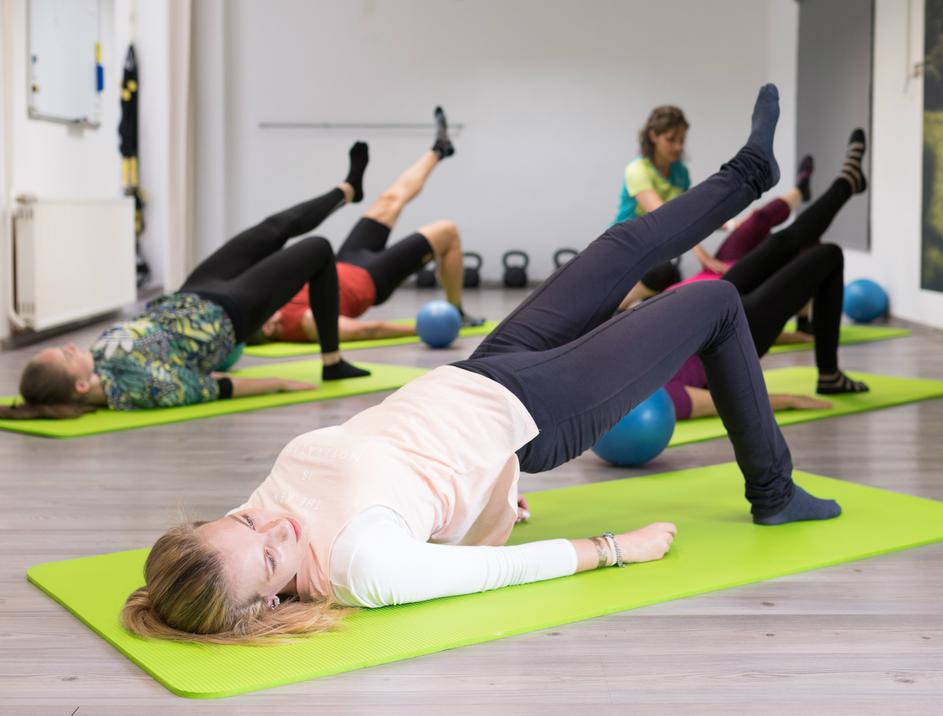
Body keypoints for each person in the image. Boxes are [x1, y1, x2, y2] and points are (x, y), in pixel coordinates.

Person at [123, 85, 842, 647]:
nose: (273, 526)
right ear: (267, 604)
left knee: (620, 245)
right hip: (537, 413)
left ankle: (751, 172)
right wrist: (614, 549)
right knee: (713, 301)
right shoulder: (360, 568)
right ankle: (773, 490)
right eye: (269, 558)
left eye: (244, 520)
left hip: (480, 373)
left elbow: (398, 466)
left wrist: (483, 499)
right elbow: (495, 571)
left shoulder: (257, 519)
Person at [0, 146, 375, 420]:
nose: (70, 346)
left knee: (272, 229)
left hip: (192, 293)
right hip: (226, 316)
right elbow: (212, 386)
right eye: (66, 356)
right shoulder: (139, 387)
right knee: (317, 249)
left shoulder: (98, 360)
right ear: (81, 386)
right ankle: (332, 362)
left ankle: (347, 190)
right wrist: (278, 384)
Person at [656, 129, 870, 420]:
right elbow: (705, 401)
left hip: (705, 310)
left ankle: (846, 183)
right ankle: (829, 375)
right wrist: (787, 400)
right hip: (730, 340)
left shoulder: (608, 351)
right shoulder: (635, 394)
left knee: (780, 242)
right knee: (827, 255)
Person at [253, 108, 484, 346]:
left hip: (345, 260)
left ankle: (438, 150)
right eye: (263, 325)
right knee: (447, 231)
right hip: (373, 278)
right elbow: (363, 331)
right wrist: (421, 329)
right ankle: (457, 310)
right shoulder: (303, 323)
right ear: (268, 330)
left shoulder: (271, 302)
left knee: (389, 199)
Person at [613, 105, 724, 275]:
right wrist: (705, 258)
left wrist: (728, 223)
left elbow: (690, 214)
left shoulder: (681, 172)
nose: (678, 147)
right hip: (623, 249)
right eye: (671, 140)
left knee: (670, 277)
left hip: (651, 252)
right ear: (653, 136)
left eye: (682, 140)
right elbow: (668, 219)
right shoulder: (637, 170)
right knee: (664, 275)